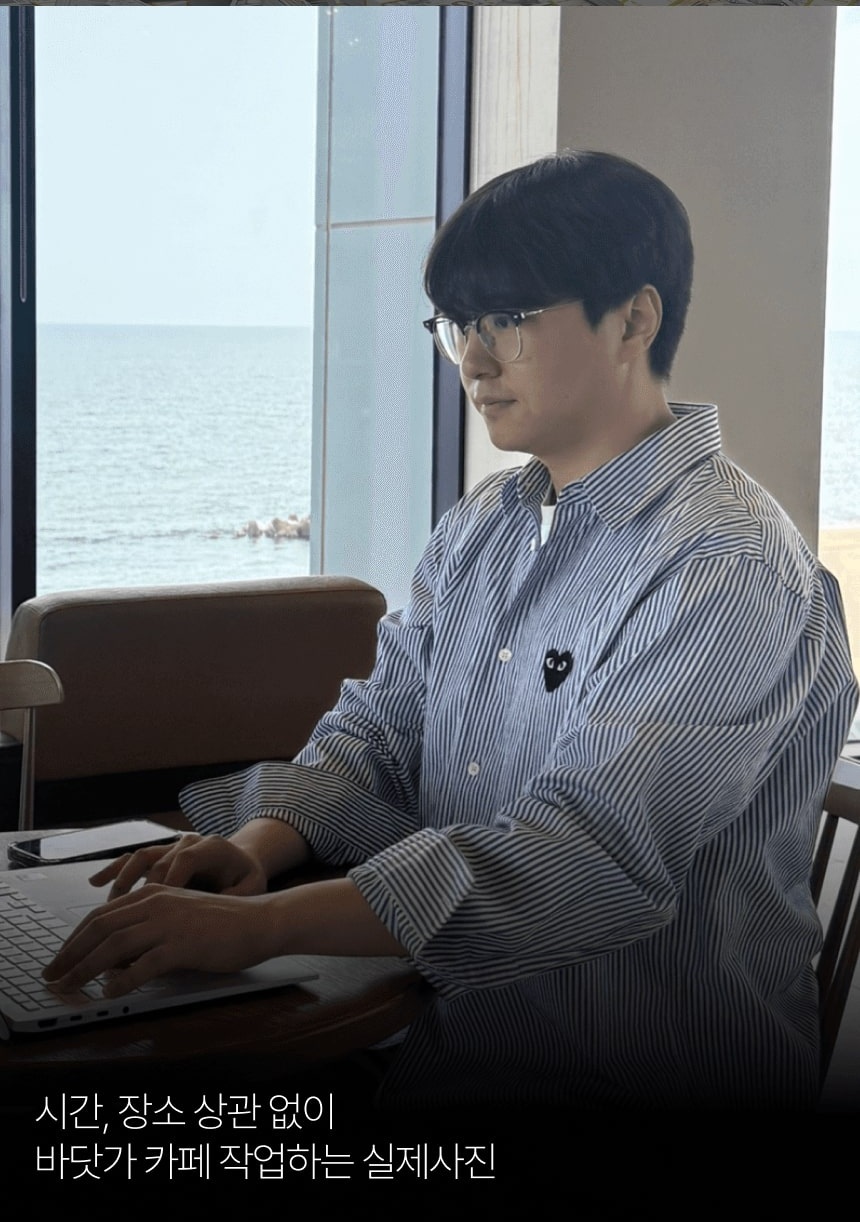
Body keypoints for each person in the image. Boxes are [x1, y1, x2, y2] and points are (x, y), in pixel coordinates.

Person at [46, 150, 858, 1111]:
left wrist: (264, 929)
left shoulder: (725, 564)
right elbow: (377, 733)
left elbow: (586, 854)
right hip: (449, 1044)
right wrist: (260, 848)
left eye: (507, 320)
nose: (473, 359)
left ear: (634, 320)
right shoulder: (483, 525)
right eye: (457, 325)